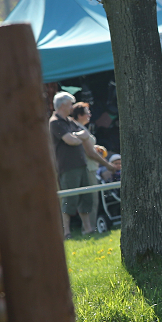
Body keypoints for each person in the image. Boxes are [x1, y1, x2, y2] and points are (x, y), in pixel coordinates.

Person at [49, 92, 115, 238]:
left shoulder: (69, 122)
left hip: (81, 165)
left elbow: (81, 137)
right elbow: (70, 140)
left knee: (86, 199)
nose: (72, 107)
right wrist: (79, 136)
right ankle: (66, 232)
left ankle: (88, 229)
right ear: (63, 105)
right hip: (68, 167)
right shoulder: (55, 122)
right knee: (69, 200)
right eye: (70, 104)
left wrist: (76, 136)